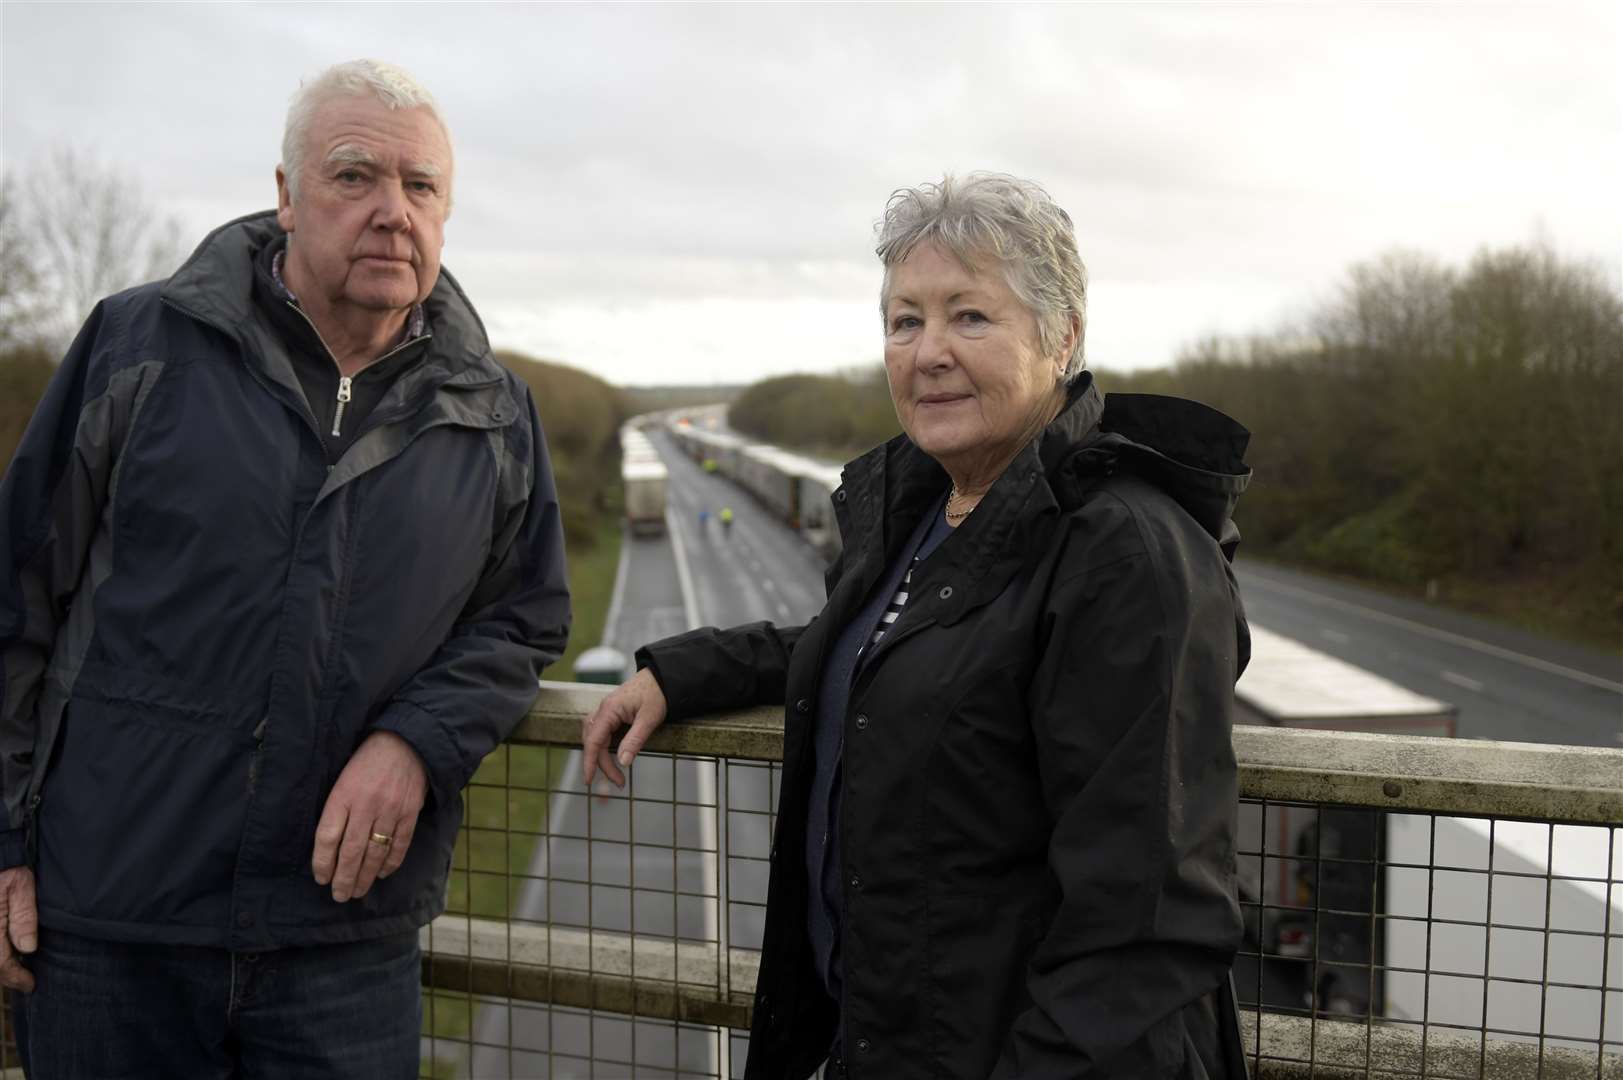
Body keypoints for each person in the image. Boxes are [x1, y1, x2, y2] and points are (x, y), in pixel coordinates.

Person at [583, 173, 1251, 1078]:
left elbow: (1143, 926)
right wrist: (689, 672)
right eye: (904, 321)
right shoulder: (927, 509)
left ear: (1061, 337)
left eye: (969, 317)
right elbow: (895, 655)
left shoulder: (1125, 553)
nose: (927, 351)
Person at [0, 59, 570, 1078]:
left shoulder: (492, 415)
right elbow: (14, 600)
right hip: (112, 929)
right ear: (285, 195)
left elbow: (524, 617)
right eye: (356, 177)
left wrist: (416, 740)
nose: (394, 212)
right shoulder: (139, 350)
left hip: (342, 945)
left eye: (422, 186)